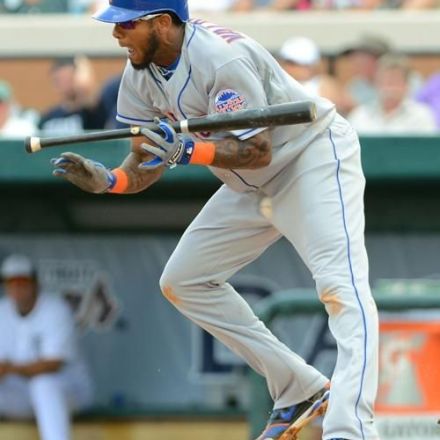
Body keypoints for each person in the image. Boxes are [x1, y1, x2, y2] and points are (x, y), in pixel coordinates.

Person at [51, 1, 380, 439]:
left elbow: (257, 148)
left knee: (341, 288)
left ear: (162, 22)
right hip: (249, 181)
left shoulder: (221, 59)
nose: (117, 33)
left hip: (309, 158)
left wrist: (188, 150)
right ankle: (299, 387)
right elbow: (145, 159)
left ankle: (351, 428)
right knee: (184, 280)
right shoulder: (140, 71)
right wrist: (110, 181)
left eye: (127, 23)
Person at [0, 254, 93, 440]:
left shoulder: (55, 310)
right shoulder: (2, 310)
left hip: (68, 392)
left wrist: (9, 368)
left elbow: (52, 364)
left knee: (43, 384)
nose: (17, 287)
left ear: (35, 283)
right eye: (11, 282)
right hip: (19, 396)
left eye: (22, 281)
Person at [347, 54, 437, 134]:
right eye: (384, 81)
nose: (388, 87)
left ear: (406, 85)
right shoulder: (360, 115)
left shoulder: (421, 116)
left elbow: (428, 147)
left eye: (394, 81)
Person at [278, 37, 354, 116]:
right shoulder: (278, 84)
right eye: (289, 63)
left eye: (294, 64)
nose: (289, 68)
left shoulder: (324, 84)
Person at [38, 57, 106, 136]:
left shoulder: (89, 112)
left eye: (67, 78)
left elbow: (91, 99)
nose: (64, 83)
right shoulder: (49, 117)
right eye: (59, 80)